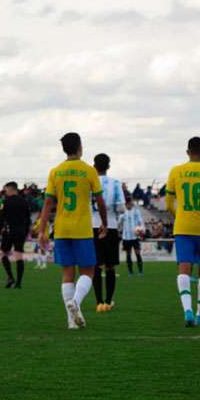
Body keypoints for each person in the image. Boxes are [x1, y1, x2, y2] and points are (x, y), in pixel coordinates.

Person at [37, 133, 107, 329]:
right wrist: (104, 221)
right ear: (79, 147)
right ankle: (75, 302)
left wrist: (42, 230)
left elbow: (47, 203)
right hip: (82, 228)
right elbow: (100, 201)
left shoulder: (55, 171)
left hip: (61, 228)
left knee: (67, 273)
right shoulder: (89, 171)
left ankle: (71, 321)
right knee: (88, 271)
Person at [165, 137, 200, 327]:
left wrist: (177, 215)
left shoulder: (176, 171)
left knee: (184, 268)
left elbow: (167, 203)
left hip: (182, 227)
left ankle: (187, 310)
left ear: (187, 152)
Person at [90, 154, 125, 313]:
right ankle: (108, 301)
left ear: (94, 166)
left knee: (96, 266)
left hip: (92, 226)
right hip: (110, 226)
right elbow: (121, 208)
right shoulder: (115, 183)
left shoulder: (90, 182)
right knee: (110, 266)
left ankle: (98, 302)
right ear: (108, 166)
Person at [0, 182, 31, 288]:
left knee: (3, 254)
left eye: (6, 190)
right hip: (20, 231)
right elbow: (28, 219)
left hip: (9, 231)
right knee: (18, 255)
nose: (6, 192)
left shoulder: (6, 201)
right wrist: (25, 232)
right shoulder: (24, 201)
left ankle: (10, 277)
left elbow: (2, 218)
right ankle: (19, 283)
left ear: (10, 189)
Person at [118, 199, 144, 277]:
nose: (129, 205)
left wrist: (139, 230)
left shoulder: (136, 212)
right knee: (128, 254)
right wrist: (119, 231)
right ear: (126, 204)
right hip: (126, 238)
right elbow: (119, 223)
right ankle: (130, 272)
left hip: (135, 237)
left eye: (130, 203)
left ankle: (140, 271)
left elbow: (140, 221)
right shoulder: (123, 213)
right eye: (127, 204)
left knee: (137, 253)